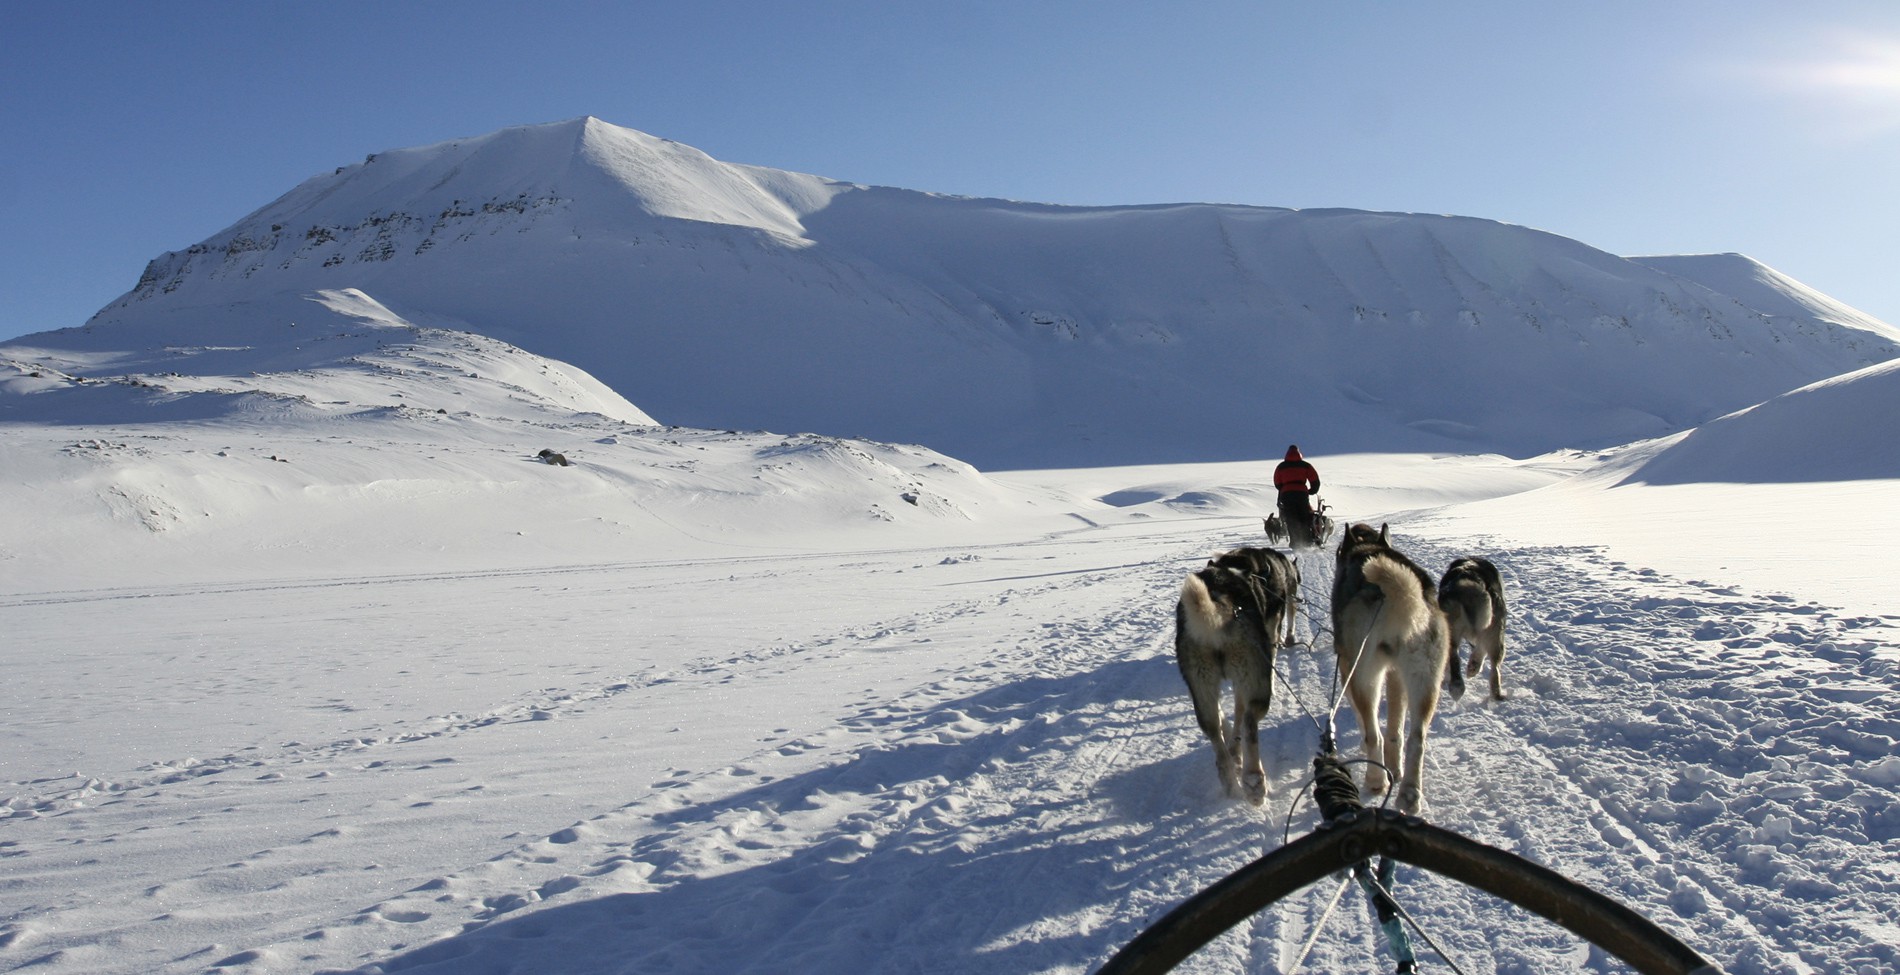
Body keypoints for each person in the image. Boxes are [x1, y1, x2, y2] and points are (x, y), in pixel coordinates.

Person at [1273, 444, 1322, 549]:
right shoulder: (1305, 465)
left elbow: (1277, 482)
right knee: (1304, 515)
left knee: (1291, 518)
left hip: (1286, 495)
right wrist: (1312, 490)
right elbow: (1315, 480)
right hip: (1301, 493)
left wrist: (1284, 488)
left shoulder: (1281, 467)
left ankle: (1295, 542)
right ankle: (1307, 540)